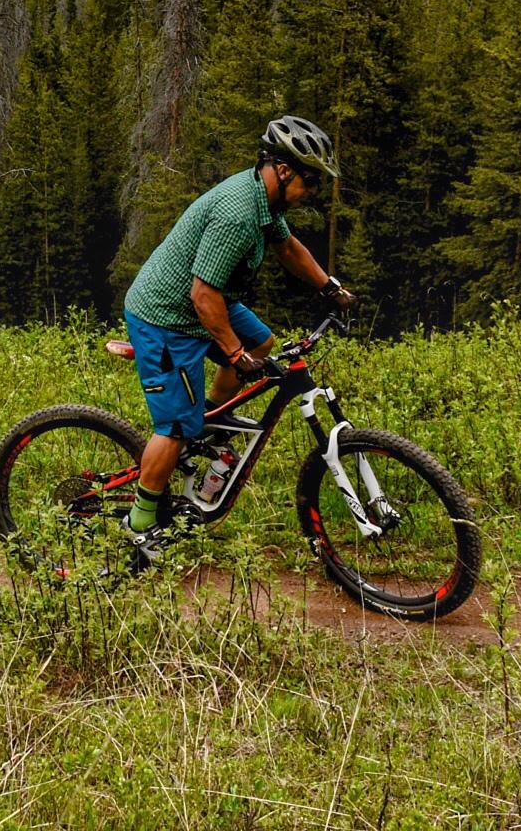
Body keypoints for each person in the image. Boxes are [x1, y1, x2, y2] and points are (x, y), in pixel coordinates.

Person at [120, 115, 356, 538]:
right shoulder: (239, 215)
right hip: (164, 315)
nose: (314, 192)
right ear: (283, 171)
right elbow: (202, 296)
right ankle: (140, 524)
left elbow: (287, 247)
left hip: (201, 304)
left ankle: (206, 425)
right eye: (312, 181)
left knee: (261, 342)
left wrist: (330, 287)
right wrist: (232, 353)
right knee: (173, 428)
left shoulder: (264, 201)